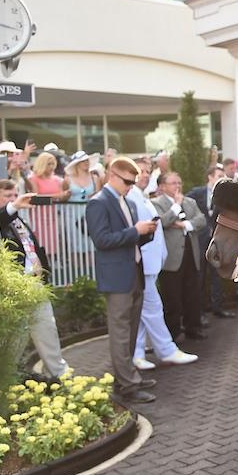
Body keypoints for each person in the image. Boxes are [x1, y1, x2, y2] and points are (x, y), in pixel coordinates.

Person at [85, 157, 158, 404]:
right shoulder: (98, 203)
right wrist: (135, 231)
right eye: (127, 181)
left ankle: (125, 379)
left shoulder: (127, 202)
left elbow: (130, 240)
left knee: (130, 332)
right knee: (121, 334)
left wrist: (146, 233)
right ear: (112, 175)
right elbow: (102, 241)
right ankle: (128, 385)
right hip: (117, 278)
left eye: (133, 182)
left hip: (133, 274)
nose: (130, 186)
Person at [0, 179, 70, 381]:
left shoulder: (19, 219)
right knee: (17, 334)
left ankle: (59, 373)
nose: (13, 199)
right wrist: (13, 206)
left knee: (46, 328)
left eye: (15, 195)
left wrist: (44, 274)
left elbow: (32, 248)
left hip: (36, 282)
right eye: (7, 196)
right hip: (16, 285)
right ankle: (6, 378)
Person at [127, 165, 198, 370]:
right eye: (139, 171)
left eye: (147, 171)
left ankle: (137, 354)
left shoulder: (141, 196)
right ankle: (167, 350)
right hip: (143, 264)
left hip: (151, 263)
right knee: (154, 309)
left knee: (142, 312)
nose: (145, 175)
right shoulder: (133, 197)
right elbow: (158, 223)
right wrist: (175, 208)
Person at [152, 172, 207, 340]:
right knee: (172, 298)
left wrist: (184, 225)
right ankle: (173, 332)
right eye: (173, 183)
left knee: (193, 294)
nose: (178, 186)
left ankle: (193, 328)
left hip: (191, 255)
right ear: (162, 186)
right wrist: (175, 206)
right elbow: (162, 222)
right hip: (171, 258)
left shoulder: (190, 202)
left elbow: (202, 220)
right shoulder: (156, 203)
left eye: (179, 182)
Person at [188, 165, 234, 318]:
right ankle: (199, 312)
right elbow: (185, 207)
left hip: (216, 243)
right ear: (210, 177)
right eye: (219, 175)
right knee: (199, 277)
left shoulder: (224, 197)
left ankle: (218, 308)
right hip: (199, 242)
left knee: (217, 276)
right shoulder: (195, 193)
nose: (222, 178)